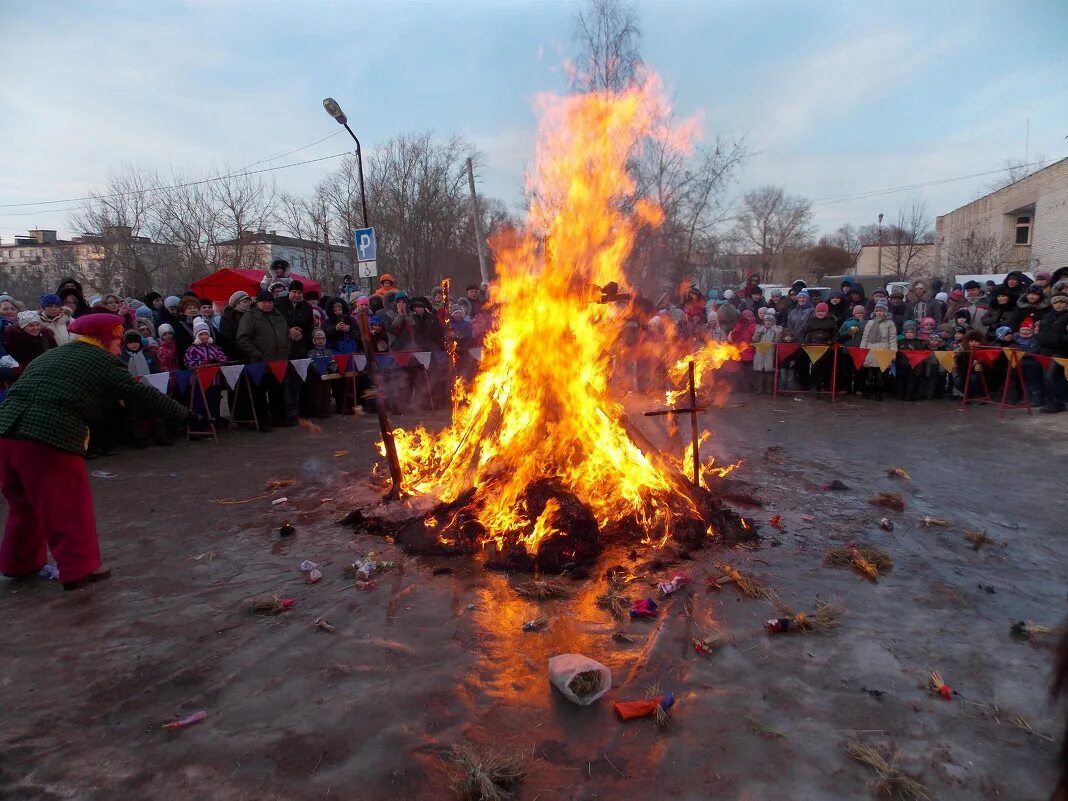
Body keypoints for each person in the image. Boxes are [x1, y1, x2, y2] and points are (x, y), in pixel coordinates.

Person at [0, 313, 191, 589]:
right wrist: (185, 415)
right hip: (48, 435)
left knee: (24, 504)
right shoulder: (103, 360)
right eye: (117, 338)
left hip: (7, 431)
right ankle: (80, 568)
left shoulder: (52, 355)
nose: (119, 344)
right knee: (68, 504)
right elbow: (138, 393)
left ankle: (19, 562)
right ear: (107, 338)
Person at [237, 290, 292, 430]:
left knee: (278, 392)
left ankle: (279, 418)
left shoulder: (279, 315)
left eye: (270, 301)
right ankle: (263, 421)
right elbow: (242, 339)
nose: (267, 304)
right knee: (259, 394)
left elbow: (285, 335)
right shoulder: (250, 317)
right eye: (264, 302)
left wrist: (287, 350)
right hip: (260, 363)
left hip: (279, 361)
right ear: (258, 303)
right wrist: (257, 354)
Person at [860, 301, 897, 400]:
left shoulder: (890, 323)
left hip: (883, 350)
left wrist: (893, 352)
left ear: (885, 312)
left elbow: (892, 339)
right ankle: (867, 391)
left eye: (881, 311)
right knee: (869, 373)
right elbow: (865, 337)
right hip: (870, 350)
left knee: (881, 374)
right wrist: (862, 351)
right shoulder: (870, 323)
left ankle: (878, 393)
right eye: (877, 311)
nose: (879, 313)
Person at [1038, 294, 1068, 413]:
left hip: (1061, 351)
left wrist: (1058, 339)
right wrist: (1039, 337)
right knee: (1048, 377)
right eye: (1055, 302)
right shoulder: (1046, 316)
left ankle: (1059, 402)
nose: (1058, 305)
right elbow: (1040, 332)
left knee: (1052, 376)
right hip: (1046, 351)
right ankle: (1052, 401)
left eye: (1061, 302)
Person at [751, 308, 781, 394]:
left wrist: (777, 333)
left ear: (773, 321)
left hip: (770, 353)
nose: (768, 322)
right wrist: (758, 332)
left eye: (770, 321)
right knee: (759, 370)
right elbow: (755, 340)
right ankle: (760, 388)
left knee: (769, 371)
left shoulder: (777, 329)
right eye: (766, 320)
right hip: (760, 353)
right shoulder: (759, 328)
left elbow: (777, 342)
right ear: (764, 321)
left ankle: (769, 389)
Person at [218, 291, 251, 362]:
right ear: (237, 304)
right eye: (245, 302)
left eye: (249, 302)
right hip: (237, 356)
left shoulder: (251, 316)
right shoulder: (227, 318)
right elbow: (227, 339)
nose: (248, 304)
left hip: (253, 354)